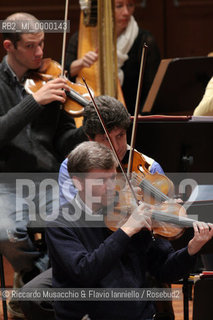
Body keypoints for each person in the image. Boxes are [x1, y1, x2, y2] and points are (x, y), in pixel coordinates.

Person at [19, 95, 166, 320]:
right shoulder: (72, 166)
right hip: (92, 253)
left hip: (134, 254)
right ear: (89, 138)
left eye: (121, 136)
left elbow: (161, 226)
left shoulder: (148, 165)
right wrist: (121, 204)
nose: (117, 147)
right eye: (107, 140)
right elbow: (80, 222)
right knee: (31, 296)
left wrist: (154, 212)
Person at [45, 141, 213, 320]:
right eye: (101, 181)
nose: (110, 187)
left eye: (112, 178)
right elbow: (84, 272)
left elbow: (164, 270)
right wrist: (125, 231)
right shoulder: (60, 223)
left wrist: (191, 249)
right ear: (78, 183)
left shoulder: (128, 211)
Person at [0, 11, 87, 317]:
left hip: (49, 179)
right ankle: (35, 282)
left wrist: (84, 131)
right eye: (31, 46)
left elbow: (62, 139)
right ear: (9, 46)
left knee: (71, 228)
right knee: (5, 231)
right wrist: (33, 103)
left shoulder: (50, 78)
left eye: (42, 44)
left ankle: (32, 289)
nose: (40, 53)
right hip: (8, 181)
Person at [65, 0, 161, 114]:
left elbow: (153, 91)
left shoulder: (144, 41)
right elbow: (65, 75)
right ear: (105, 10)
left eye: (130, 5)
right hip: (96, 117)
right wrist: (80, 63)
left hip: (133, 117)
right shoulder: (81, 39)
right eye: (119, 6)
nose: (126, 12)